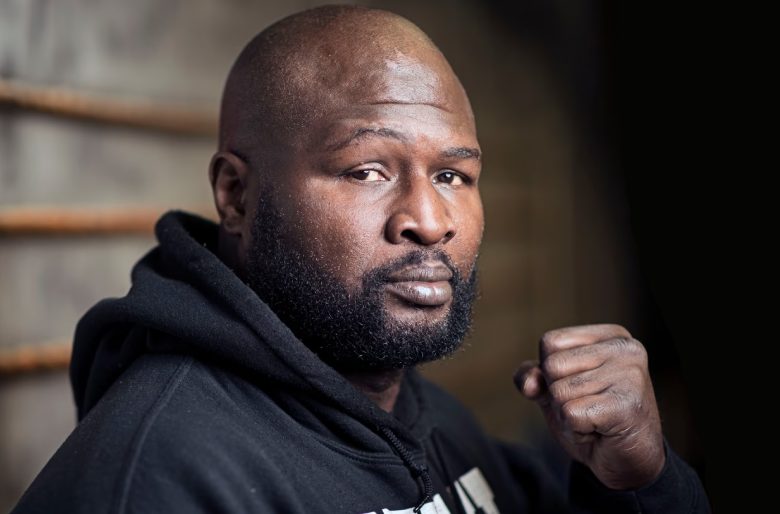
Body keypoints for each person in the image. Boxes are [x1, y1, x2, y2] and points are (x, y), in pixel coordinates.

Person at [13, 6, 709, 513]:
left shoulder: (426, 417)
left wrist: (637, 484)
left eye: (452, 176)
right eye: (367, 171)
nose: (429, 223)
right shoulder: (156, 479)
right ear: (236, 196)